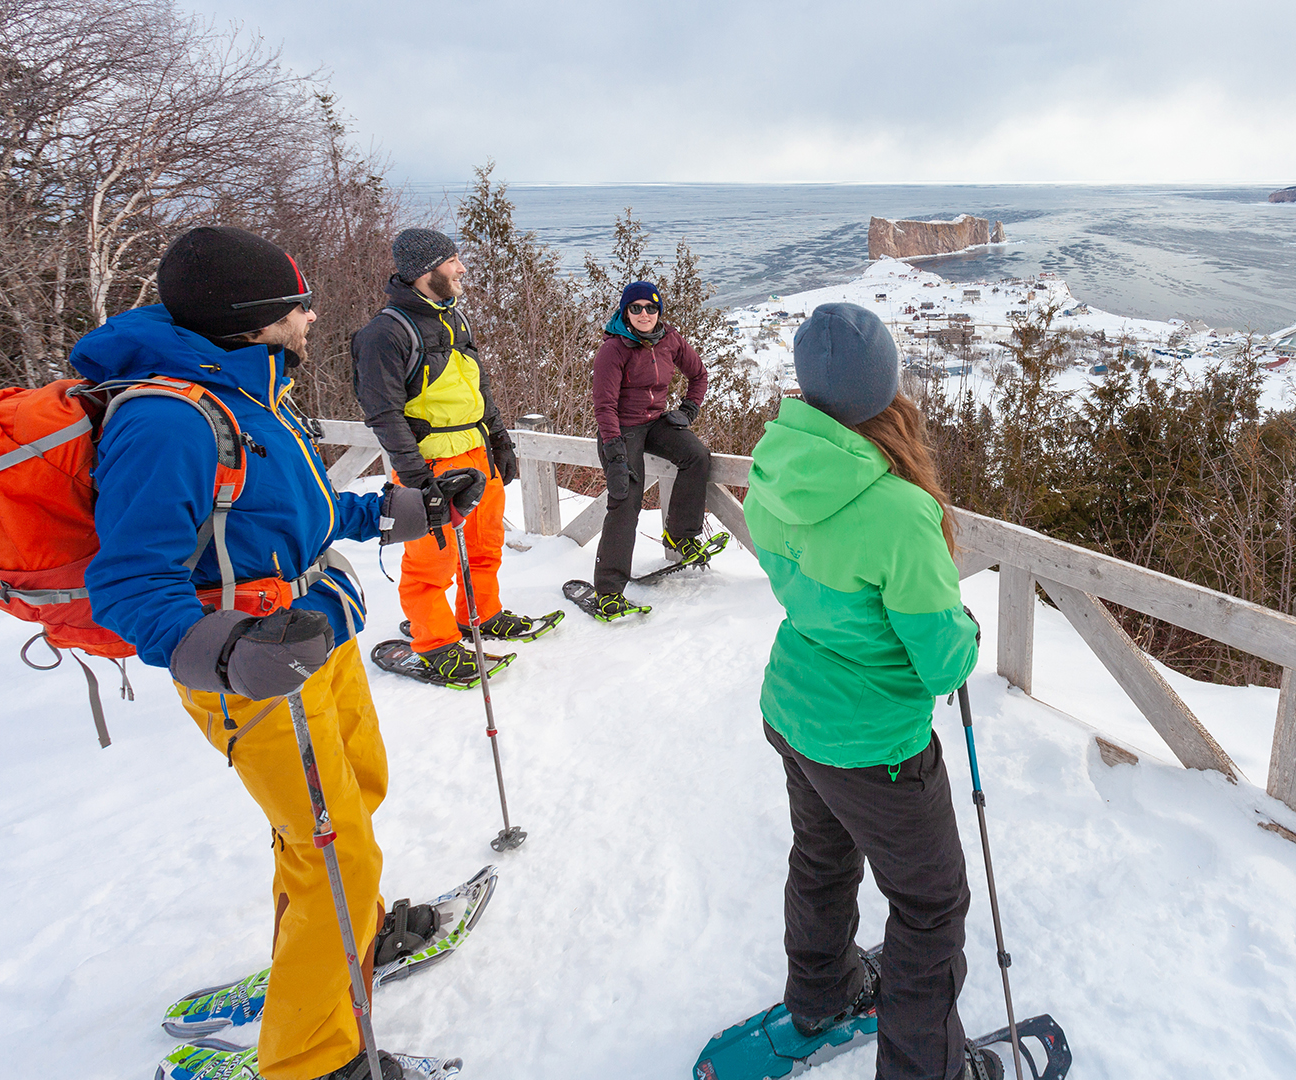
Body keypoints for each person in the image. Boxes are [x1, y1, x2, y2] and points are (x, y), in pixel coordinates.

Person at [75, 226, 479, 1080]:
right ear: (252, 317)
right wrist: (228, 657)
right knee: (335, 844)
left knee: (351, 805)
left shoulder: (252, 390)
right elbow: (128, 584)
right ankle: (312, 1060)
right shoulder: (166, 419)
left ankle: (342, 944)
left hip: (313, 636)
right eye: (298, 302)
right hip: (258, 667)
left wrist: (409, 510)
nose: (312, 313)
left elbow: (295, 509)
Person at [742, 303, 999, 1080]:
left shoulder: (773, 464)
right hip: (874, 746)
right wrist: (967, 632)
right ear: (885, 388)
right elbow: (942, 665)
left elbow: (800, 585)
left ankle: (820, 993)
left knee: (821, 860)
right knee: (930, 909)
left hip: (793, 708)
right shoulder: (899, 510)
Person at [351, 228, 557, 683]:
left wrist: (499, 437)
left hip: (477, 451)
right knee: (430, 562)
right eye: (452, 261)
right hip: (432, 465)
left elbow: (478, 386)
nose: (461, 268)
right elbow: (383, 414)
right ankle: (434, 641)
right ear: (426, 271)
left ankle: (479, 615)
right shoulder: (384, 334)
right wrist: (418, 479)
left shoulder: (453, 319)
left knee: (485, 546)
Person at [586, 281, 725, 621]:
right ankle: (608, 591)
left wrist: (689, 409)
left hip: (656, 422)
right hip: (620, 428)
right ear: (625, 312)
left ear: (659, 311)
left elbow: (699, 374)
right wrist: (615, 454)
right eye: (636, 308)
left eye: (651, 307)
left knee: (696, 456)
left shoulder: (669, 339)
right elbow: (603, 406)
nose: (644, 314)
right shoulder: (613, 350)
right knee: (625, 499)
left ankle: (679, 535)